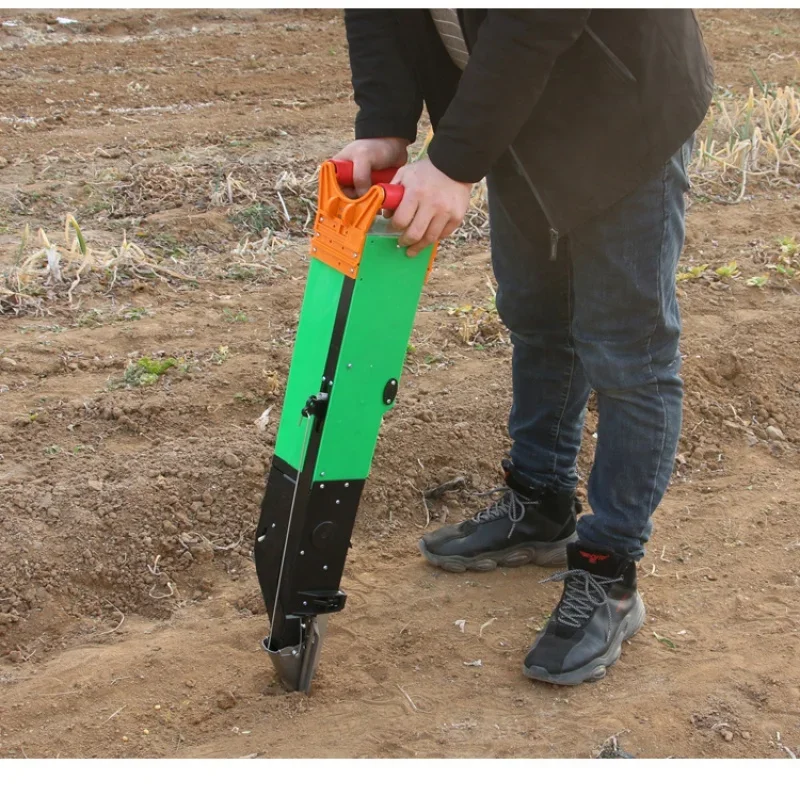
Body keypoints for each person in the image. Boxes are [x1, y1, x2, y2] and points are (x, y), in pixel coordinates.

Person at [334, 10, 713, 686]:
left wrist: (452, 161)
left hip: (618, 104)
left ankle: (610, 574)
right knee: (537, 318)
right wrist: (385, 122)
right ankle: (541, 502)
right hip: (515, 111)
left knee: (629, 354)